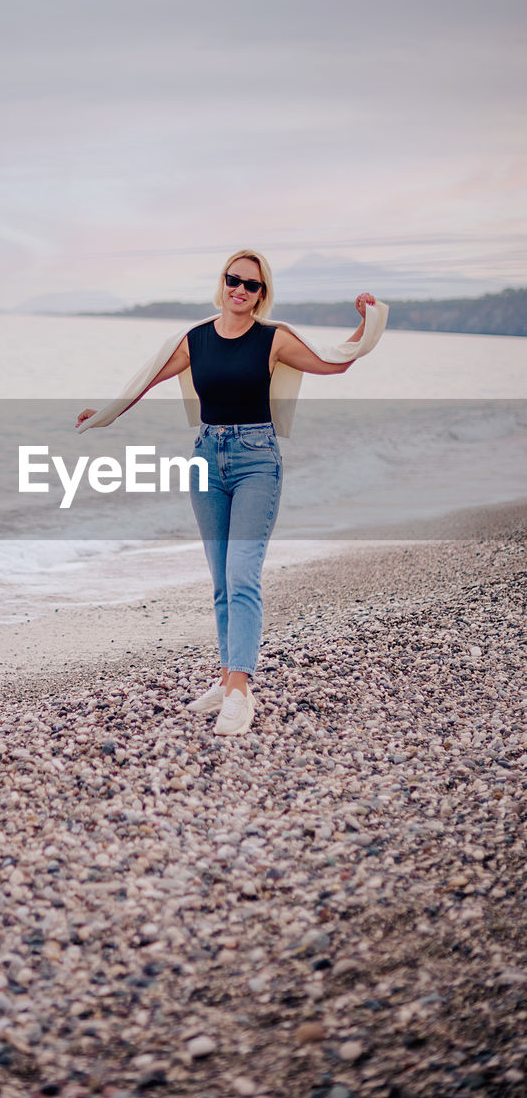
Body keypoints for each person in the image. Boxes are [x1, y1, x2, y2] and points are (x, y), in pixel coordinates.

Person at [76, 248, 383, 737]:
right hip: (205, 458)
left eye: (251, 285)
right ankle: (227, 679)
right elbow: (144, 381)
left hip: (257, 459)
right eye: (233, 279)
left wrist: (366, 323)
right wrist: (104, 413)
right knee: (221, 579)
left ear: (262, 294)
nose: (240, 289)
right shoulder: (194, 339)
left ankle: (241, 692)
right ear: (222, 283)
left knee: (243, 574)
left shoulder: (273, 339)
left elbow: (333, 363)